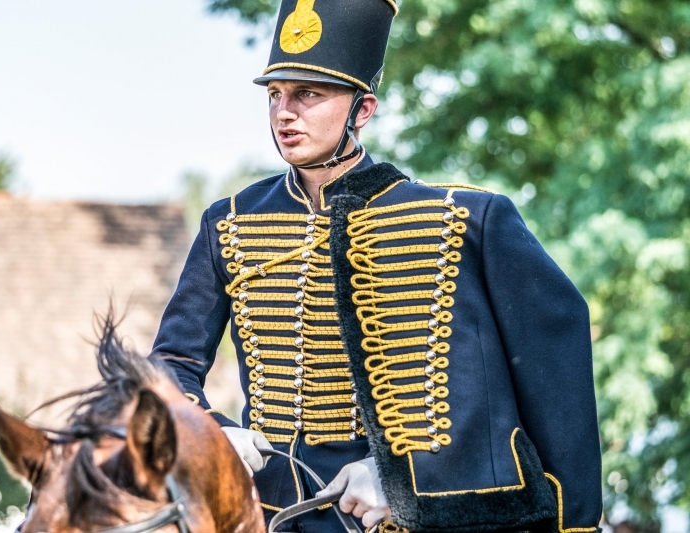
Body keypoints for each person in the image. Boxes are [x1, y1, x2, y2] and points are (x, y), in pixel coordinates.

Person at [152, 0, 603, 531]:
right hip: (273, 513)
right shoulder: (228, 221)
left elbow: (547, 375)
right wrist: (207, 430)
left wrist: (401, 480)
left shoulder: (465, 220)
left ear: (362, 110)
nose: (283, 112)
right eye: (275, 95)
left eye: (308, 94)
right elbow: (169, 363)